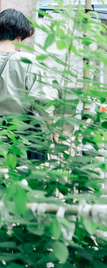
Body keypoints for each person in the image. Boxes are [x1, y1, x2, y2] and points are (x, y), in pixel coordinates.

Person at [0, 9, 54, 160]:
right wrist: (55, 132)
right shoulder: (29, 61)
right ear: (19, 36)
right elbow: (44, 103)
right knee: (25, 180)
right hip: (24, 134)